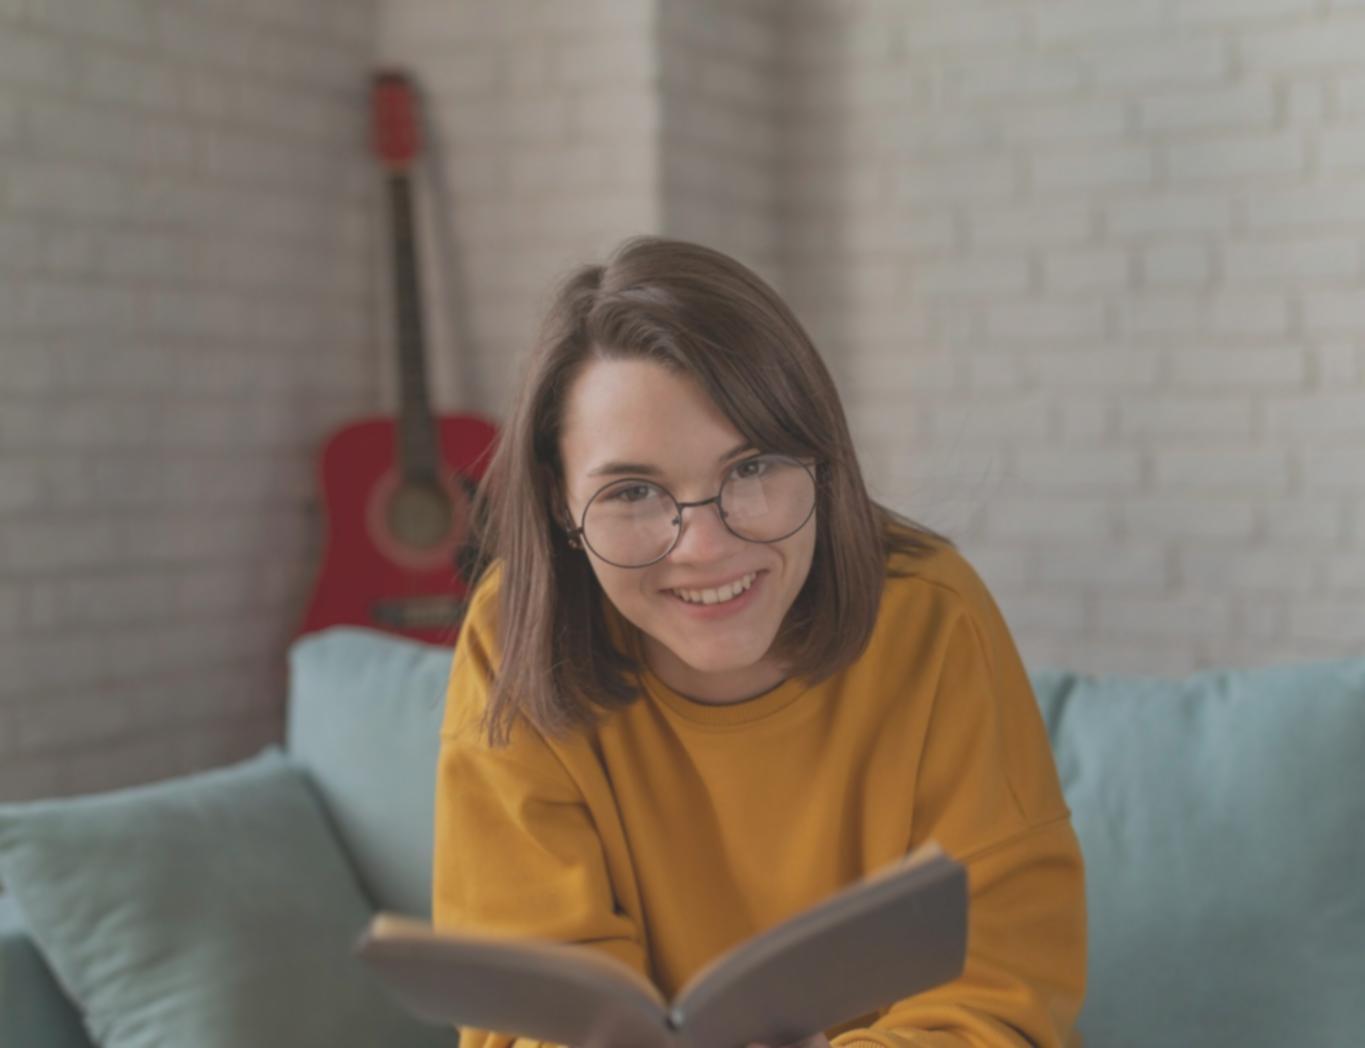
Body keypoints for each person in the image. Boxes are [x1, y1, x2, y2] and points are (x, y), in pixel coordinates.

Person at [433, 236, 1086, 1048]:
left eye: (749, 470)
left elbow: (998, 993)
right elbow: (525, 1018)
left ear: (821, 461)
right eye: (631, 491)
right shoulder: (513, 635)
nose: (705, 548)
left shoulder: (932, 616)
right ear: (561, 505)